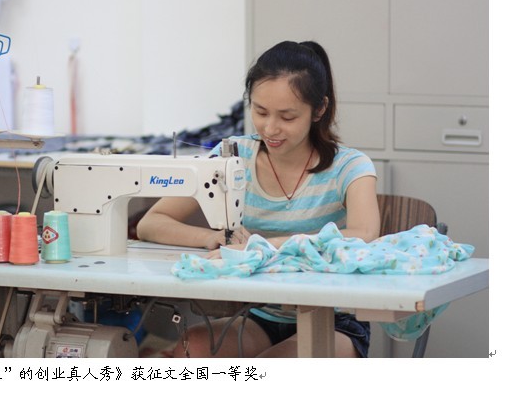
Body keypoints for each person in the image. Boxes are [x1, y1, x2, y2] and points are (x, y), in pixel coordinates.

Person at [136, 40, 381, 358]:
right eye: (260, 111)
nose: (270, 128)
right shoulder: (233, 156)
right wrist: (211, 238)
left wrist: (262, 246)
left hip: (335, 320)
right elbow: (151, 223)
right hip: (261, 315)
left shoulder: (350, 166)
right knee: (187, 352)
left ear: (319, 109)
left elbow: (364, 234)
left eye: (287, 117)